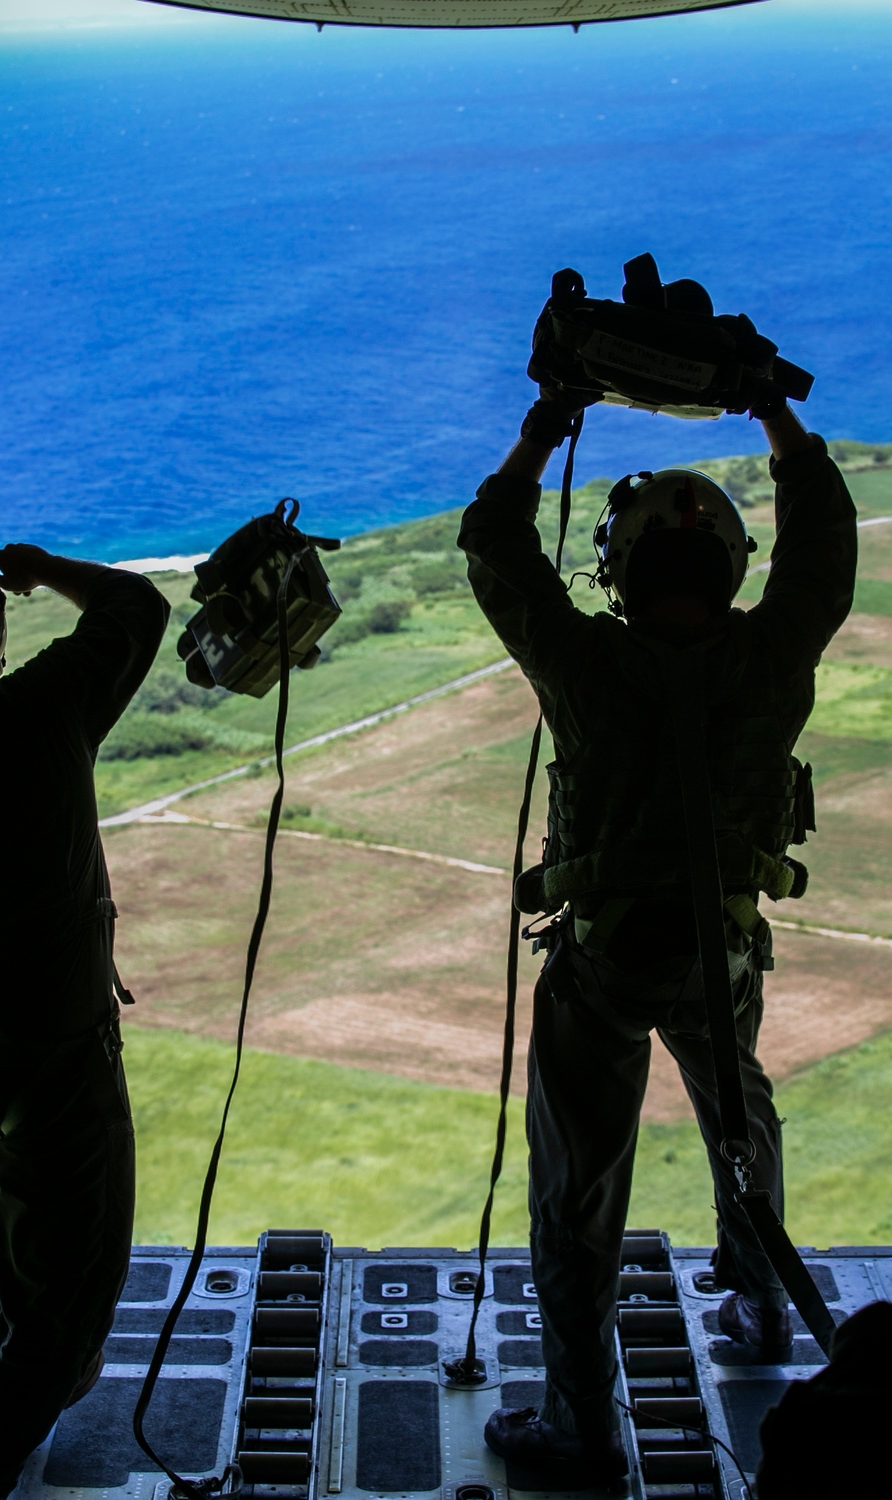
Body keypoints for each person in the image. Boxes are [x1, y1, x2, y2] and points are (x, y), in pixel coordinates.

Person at [458, 390, 857, 1488]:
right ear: (729, 567)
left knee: (576, 1191)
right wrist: (774, 415)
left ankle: (584, 1427)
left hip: (604, 964)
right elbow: (824, 542)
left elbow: (492, 545)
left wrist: (543, 426)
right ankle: (763, 1309)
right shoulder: (774, 657)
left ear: (619, 574)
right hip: (721, 954)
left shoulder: (586, 668)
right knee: (742, 1113)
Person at [0, 529, 169, 1500]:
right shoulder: (42, 710)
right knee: (54, 1332)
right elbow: (138, 611)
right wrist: (47, 566)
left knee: (33, 1262)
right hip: (58, 1070)